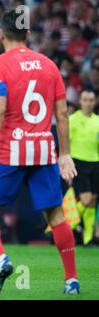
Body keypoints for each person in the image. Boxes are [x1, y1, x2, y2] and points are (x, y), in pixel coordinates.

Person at [0, 9, 79, 295]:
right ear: (28, 35)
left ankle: (2, 260)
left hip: (9, 149)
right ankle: (71, 280)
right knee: (56, 216)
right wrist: (65, 154)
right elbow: (63, 113)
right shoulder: (49, 65)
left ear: (2, 35)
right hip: (44, 150)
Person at [69, 90, 99, 245]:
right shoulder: (72, 120)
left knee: (93, 201)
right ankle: (67, 224)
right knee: (86, 200)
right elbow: (66, 143)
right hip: (79, 162)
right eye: (85, 100)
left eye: (91, 100)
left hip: (96, 162)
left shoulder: (97, 121)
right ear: (80, 102)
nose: (88, 103)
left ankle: (88, 239)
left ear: (95, 102)